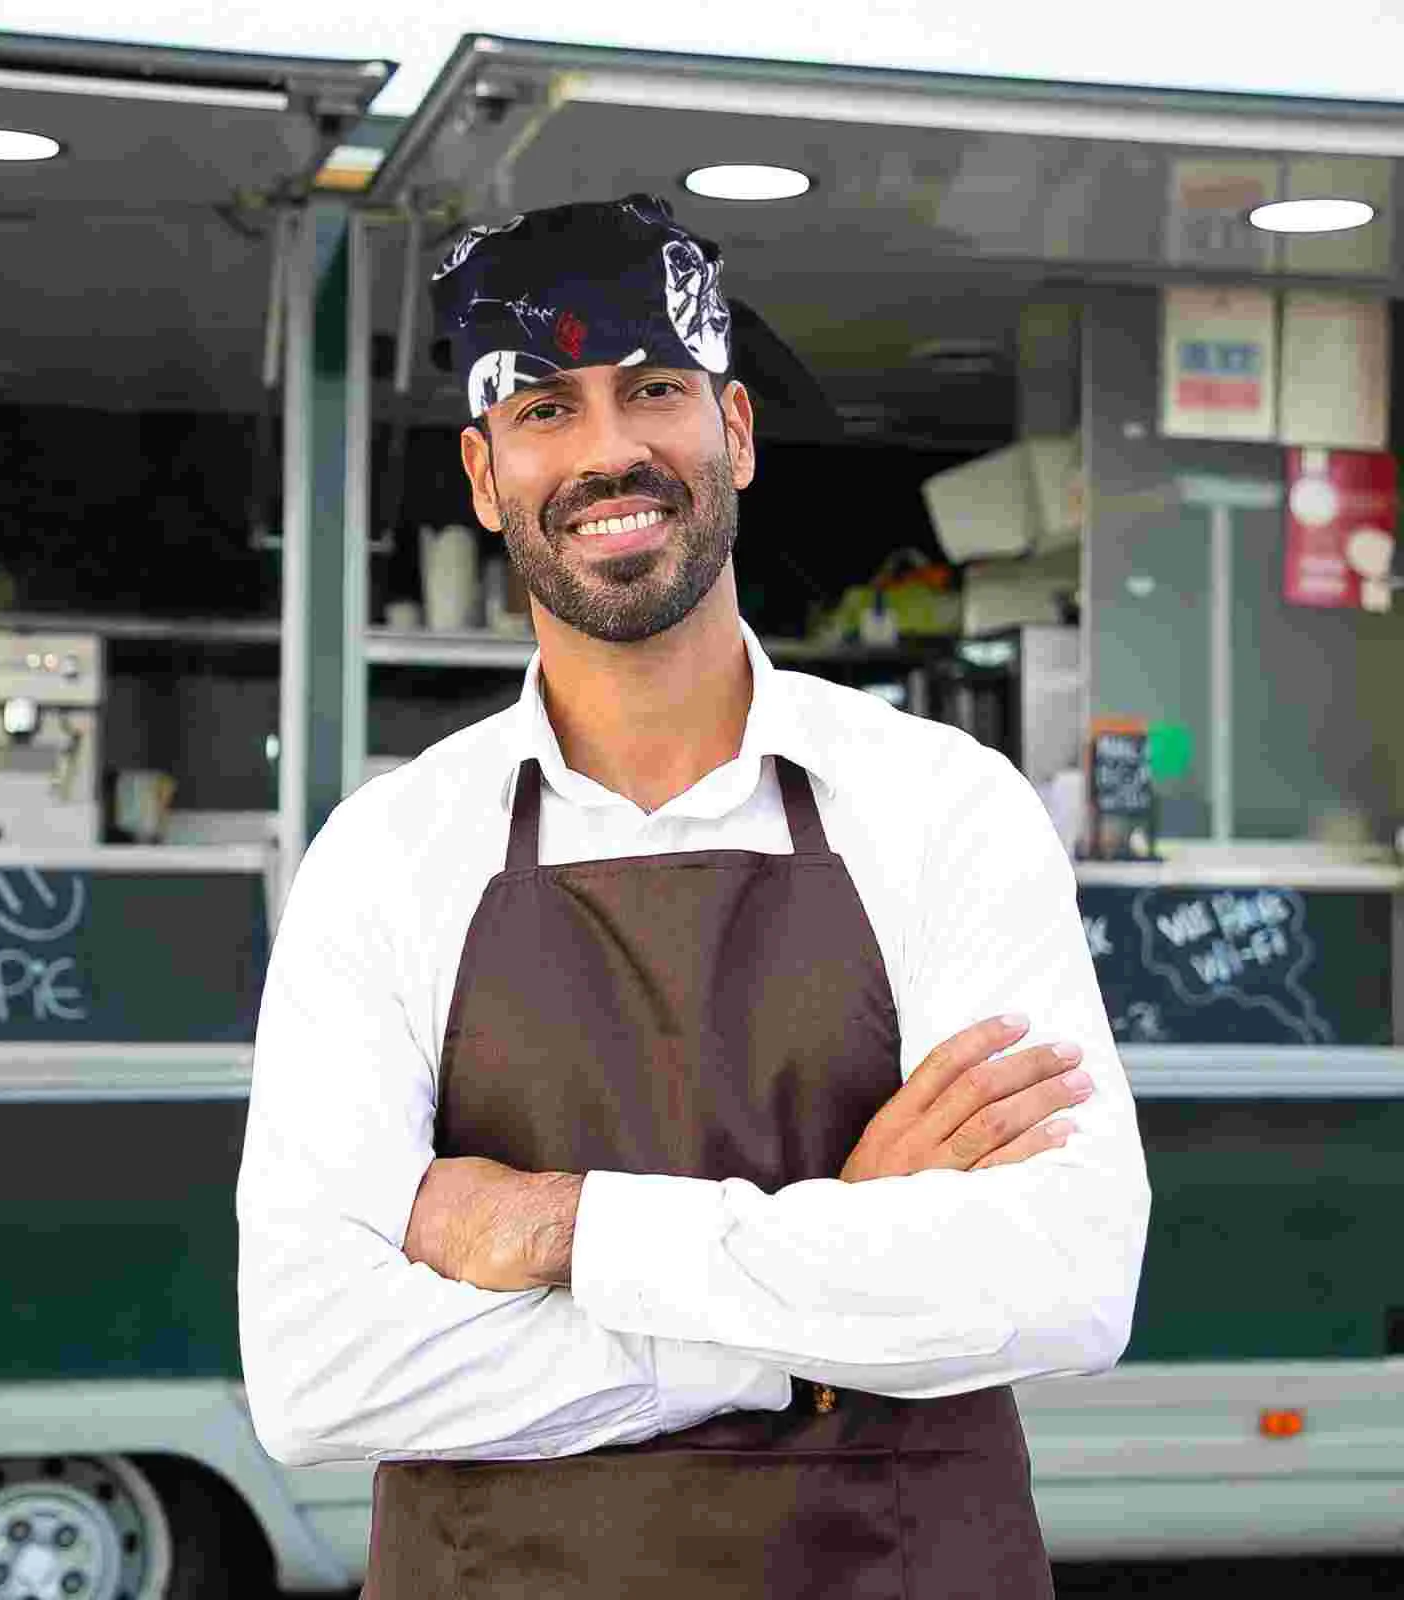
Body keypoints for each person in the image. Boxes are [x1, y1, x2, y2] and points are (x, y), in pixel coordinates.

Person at [237, 193, 1150, 1598]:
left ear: (731, 431)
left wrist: (562, 1229)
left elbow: (1066, 1279)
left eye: (653, 390)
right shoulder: (391, 853)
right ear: (484, 477)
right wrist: (826, 1279)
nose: (609, 452)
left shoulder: (942, 804)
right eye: (546, 409)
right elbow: (320, 1372)